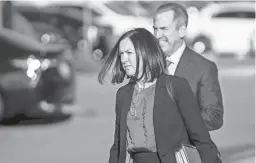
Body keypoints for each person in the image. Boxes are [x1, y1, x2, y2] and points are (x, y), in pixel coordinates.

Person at [98, 28, 221, 163]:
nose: (124, 59)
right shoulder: (123, 94)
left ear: (146, 52)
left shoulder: (175, 86)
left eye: (129, 53)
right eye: (121, 54)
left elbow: (201, 137)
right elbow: (118, 145)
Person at [153, 3, 224, 131]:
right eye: (155, 29)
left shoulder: (203, 67)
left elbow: (214, 116)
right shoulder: (148, 64)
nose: (158, 35)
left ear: (182, 31)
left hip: (183, 147)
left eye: (164, 29)